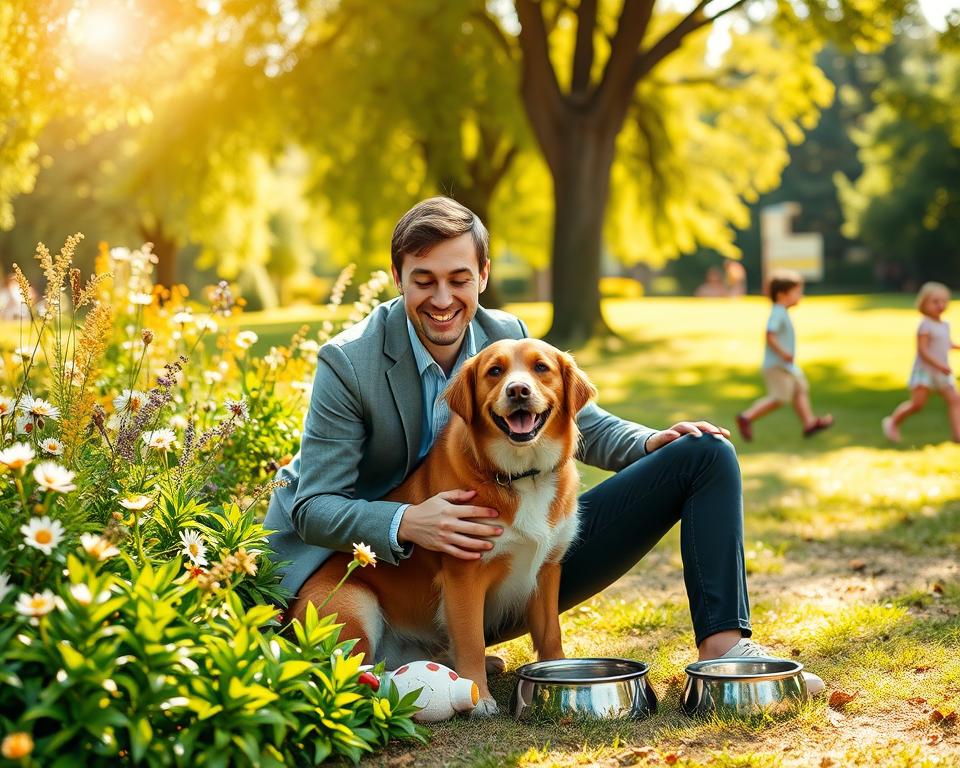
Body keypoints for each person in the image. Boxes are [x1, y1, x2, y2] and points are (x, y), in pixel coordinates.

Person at [265, 197, 824, 693]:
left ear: (483, 275)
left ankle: (725, 648)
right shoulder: (349, 362)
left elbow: (580, 421)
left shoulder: (503, 332)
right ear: (398, 277)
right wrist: (406, 522)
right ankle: (440, 667)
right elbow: (312, 506)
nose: (442, 299)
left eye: (459, 279)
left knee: (706, 455)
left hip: (507, 570)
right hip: (390, 576)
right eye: (423, 280)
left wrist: (652, 440)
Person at [735, 270, 833, 442]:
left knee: (800, 388)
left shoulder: (782, 312)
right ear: (782, 294)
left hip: (786, 365)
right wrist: (783, 353)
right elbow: (769, 335)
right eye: (796, 292)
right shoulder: (778, 312)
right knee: (780, 397)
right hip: (776, 365)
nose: (800, 296)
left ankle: (809, 422)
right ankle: (747, 417)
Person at [882, 282, 960, 443]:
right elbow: (922, 351)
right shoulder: (925, 325)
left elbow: (947, 344)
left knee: (955, 400)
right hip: (925, 371)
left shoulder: (945, 325)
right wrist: (939, 365)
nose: (940, 305)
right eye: (935, 302)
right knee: (917, 405)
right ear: (924, 303)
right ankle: (892, 422)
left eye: (944, 301)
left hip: (942, 371)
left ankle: (957, 436)